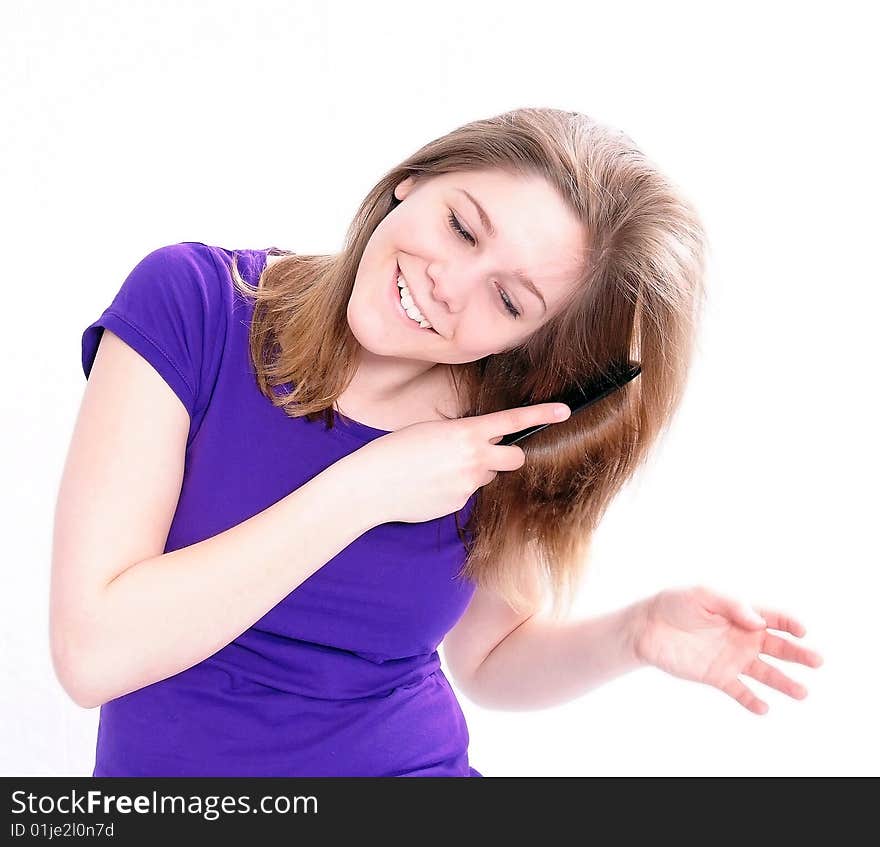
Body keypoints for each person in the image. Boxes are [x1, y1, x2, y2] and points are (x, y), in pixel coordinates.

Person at [50, 107, 823, 777]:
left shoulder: (496, 438)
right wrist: (366, 488)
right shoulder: (195, 306)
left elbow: (489, 660)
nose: (449, 283)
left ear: (529, 340)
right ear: (412, 180)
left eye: (509, 298)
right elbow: (94, 653)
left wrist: (632, 634)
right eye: (461, 226)